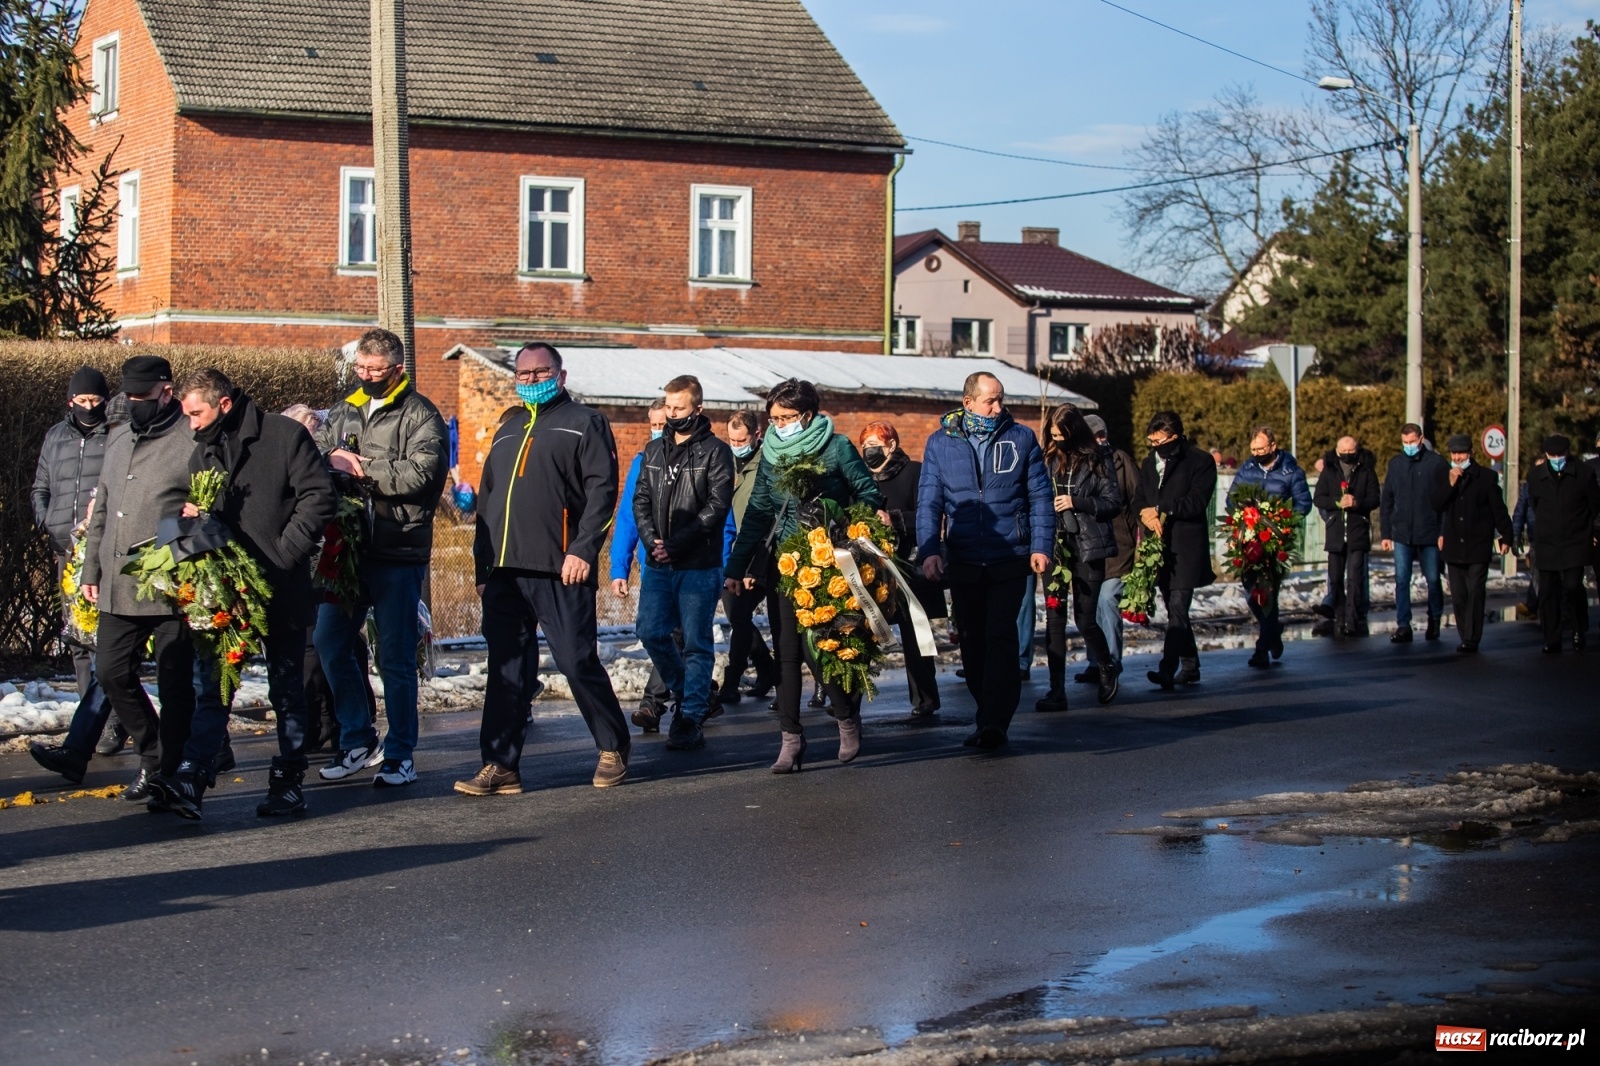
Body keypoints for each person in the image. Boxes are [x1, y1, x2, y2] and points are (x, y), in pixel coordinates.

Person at [143, 369, 337, 818]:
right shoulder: (203, 451)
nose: (190, 423)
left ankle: (287, 782)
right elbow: (208, 517)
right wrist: (196, 520)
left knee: (286, 688)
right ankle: (193, 778)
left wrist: (282, 555)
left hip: (282, 587)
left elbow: (317, 498)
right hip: (229, 593)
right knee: (215, 688)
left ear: (224, 404)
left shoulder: (283, 435)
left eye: (196, 413)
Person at [457, 342, 632, 795]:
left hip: (561, 568)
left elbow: (602, 494)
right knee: (507, 668)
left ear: (561, 374)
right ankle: (501, 765)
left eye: (541, 372)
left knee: (576, 660)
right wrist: (483, 564)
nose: (532, 380)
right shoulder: (508, 427)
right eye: (524, 374)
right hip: (503, 571)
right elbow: (488, 501)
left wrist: (583, 550)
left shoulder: (584, 423)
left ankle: (613, 746)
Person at [725, 378, 883, 772]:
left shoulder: (837, 446)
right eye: (774, 418)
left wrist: (833, 509)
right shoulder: (771, 456)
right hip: (785, 565)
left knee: (821, 649)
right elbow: (759, 513)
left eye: (786, 417)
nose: (779, 425)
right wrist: (735, 567)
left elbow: (868, 495)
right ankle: (790, 740)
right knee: (787, 654)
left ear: (807, 415)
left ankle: (846, 718)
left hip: (829, 561)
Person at [314, 327, 449, 787]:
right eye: (360, 368)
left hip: (398, 550)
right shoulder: (345, 409)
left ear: (396, 369)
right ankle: (357, 738)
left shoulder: (421, 414)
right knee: (330, 642)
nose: (365, 375)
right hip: (347, 551)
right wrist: (332, 462)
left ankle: (401, 754)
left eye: (373, 369)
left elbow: (423, 473)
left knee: (394, 658)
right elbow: (317, 456)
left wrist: (362, 469)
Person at [75, 356, 197, 803]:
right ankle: (154, 753)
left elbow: (208, 507)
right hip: (118, 581)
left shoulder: (190, 438)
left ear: (167, 391)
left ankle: (169, 774)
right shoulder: (120, 436)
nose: (135, 405)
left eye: (143, 397)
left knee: (175, 683)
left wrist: (178, 538)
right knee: (109, 672)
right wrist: (92, 568)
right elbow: (102, 507)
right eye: (129, 398)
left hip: (171, 584)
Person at [916, 372, 1053, 750]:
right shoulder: (940, 444)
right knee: (973, 641)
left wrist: (1041, 546)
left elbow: (1040, 497)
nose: (997, 407)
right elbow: (929, 501)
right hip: (962, 558)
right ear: (968, 403)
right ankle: (986, 711)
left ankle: (995, 721)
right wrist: (929, 551)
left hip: (1010, 556)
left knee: (1000, 636)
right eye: (989, 400)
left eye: (1000, 399)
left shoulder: (1021, 438)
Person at [631, 375, 734, 752]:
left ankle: (689, 717)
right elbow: (640, 499)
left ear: (698, 409)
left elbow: (716, 508)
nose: (672, 415)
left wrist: (676, 545)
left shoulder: (715, 452)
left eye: (680, 408)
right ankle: (694, 694)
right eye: (668, 407)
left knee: (696, 642)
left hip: (697, 564)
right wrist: (653, 543)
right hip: (659, 562)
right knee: (651, 631)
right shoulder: (653, 451)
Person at [27, 367, 118, 780]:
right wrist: (48, 521)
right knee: (78, 639)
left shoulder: (115, 436)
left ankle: (112, 722)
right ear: (70, 402)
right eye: (80, 402)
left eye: (94, 401)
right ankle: (91, 721)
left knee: (107, 641)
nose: (88, 408)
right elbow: (40, 485)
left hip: (102, 548)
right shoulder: (55, 436)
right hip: (67, 548)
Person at [1037, 405, 1123, 710]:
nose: (1057, 441)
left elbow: (1113, 502)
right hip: (1055, 545)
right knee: (1054, 619)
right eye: (1053, 436)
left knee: (1085, 619)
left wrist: (1078, 502)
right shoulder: (1047, 459)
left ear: (1075, 433)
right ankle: (1056, 691)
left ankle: (1106, 666)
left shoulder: (1098, 458)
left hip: (1088, 545)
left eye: (1062, 436)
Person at [860, 420, 944, 720]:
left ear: (892, 445)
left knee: (915, 632)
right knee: (860, 629)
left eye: (874, 446)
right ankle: (849, 697)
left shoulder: (914, 472)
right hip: (872, 568)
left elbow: (927, 513)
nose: (868, 452)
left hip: (909, 564)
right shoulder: (862, 478)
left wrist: (893, 520)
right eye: (865, 446)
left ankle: (925, 698)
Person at [1133, 411, 1218, 689]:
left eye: (1161, 441)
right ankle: (1191, 665)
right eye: (1151, 441)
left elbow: (1196, 502)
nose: (1155, 447)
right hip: (1159, 548)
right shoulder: (1148, 463)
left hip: (1186, 547)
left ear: (1176, 437)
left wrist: (1162, 508)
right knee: (1173, 608)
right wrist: (1146, 514)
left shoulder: (1200, 461)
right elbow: (1139, 499)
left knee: (1179, 607)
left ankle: (1167, 669)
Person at [608, 400, 678, 728]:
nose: (657, 430)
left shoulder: (700, 458)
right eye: (652, 423)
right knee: (654, 632)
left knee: (674, 632)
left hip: (688, 564)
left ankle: (653, 703)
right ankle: (703, 692)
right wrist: (618, 568)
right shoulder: (642, 461)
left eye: (662, 423)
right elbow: (627, 518)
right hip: (651, 566)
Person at [1228, 426, 1312, 668]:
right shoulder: (1247, 469)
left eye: (1261, 449)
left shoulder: (1291, 471)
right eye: (1253, 449)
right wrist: (1242, 516)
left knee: (1268, 593)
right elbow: (1231, 498)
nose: (1256, 453)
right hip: (1250, 538)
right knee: (1251, 593)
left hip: (1276, 541)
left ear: (1273, 447)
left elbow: (1303, 503)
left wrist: (1281, 519)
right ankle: (1273, 630)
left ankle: (1262, 649)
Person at [717, 409, 778, 706]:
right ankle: (767, 670)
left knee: (741, 616)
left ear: (756, 435)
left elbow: (766, 519)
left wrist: (749, 565)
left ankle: (732, 681)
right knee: (737, 615)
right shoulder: (726, 462)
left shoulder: (767, 463)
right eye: (731, 438)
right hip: (735, 555)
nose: (736, 444)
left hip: (762, 556)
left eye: (741, 439)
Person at [1431, 434, 1512, 654]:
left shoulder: (1486, 477)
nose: (1458, 458)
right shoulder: (1443, 475)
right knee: (1459, 594)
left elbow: (1498, 509)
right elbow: (1436, 504)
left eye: (1462, 454)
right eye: (1454, 454)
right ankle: (1464, 632)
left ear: (1470, 453)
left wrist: (1506, 535)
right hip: (1453, 544)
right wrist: (1450, 483)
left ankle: (1472, 638)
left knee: (1476, 591)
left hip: (1478, 543)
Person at [1525, 434, 1600, 652]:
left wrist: (1584, 527)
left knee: (1572, 585)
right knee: (1548, 591)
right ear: (1546, 455)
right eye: (1552, 455)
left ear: (1568, 453)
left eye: (1560, 455)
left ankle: (1579, 629)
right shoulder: (1536, 476)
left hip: (1575, 541)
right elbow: (1535, 504)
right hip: (1547, 541)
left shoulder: (1584, 474)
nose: (1556, 458)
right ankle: (1552, 638)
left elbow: (1594, 503)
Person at [1380, 423, 1448, 643]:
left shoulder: (1436, 464)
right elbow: (1387, 500)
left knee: (1433, 579)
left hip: (1429, 532)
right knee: (1401, 579)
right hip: (1402, 533)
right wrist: (1386, 533)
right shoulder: (1396, 465)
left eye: (1412, 442)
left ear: (1421, 439)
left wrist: (1442, 531)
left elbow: (1446, 502)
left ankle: (1434, 619)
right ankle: (1403, 625)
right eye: (1405, 442)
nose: (1408, 446)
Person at [1312, 435, 1380, 637]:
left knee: (1354, 578)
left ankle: (1352, 619)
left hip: (1357, 531)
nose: (1348, 455)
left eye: (1352, 452)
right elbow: (1319, 498)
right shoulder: (1330, 471)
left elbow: (1375, 498)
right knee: (1335, 578)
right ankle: (1339, 616)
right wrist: (1337, 503)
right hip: (1335, 532)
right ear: (1337, 450)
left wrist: (1356, 502)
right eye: (1344, 452)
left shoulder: (1366, 470)